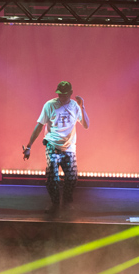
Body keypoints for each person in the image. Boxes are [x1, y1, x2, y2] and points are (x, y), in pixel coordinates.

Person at [23, 80, 89, 212]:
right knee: (52, 176)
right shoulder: (50, 105)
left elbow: (86, 125)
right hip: (52, 144)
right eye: (60, 94)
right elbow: (39, 126)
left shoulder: (74, 106)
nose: (62, 97)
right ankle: (54, 203)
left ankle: (66, 201)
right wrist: (29, 146)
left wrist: (82, 107)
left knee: (72, 177)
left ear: (70, 93)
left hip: (69, 147)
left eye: (65, 95)